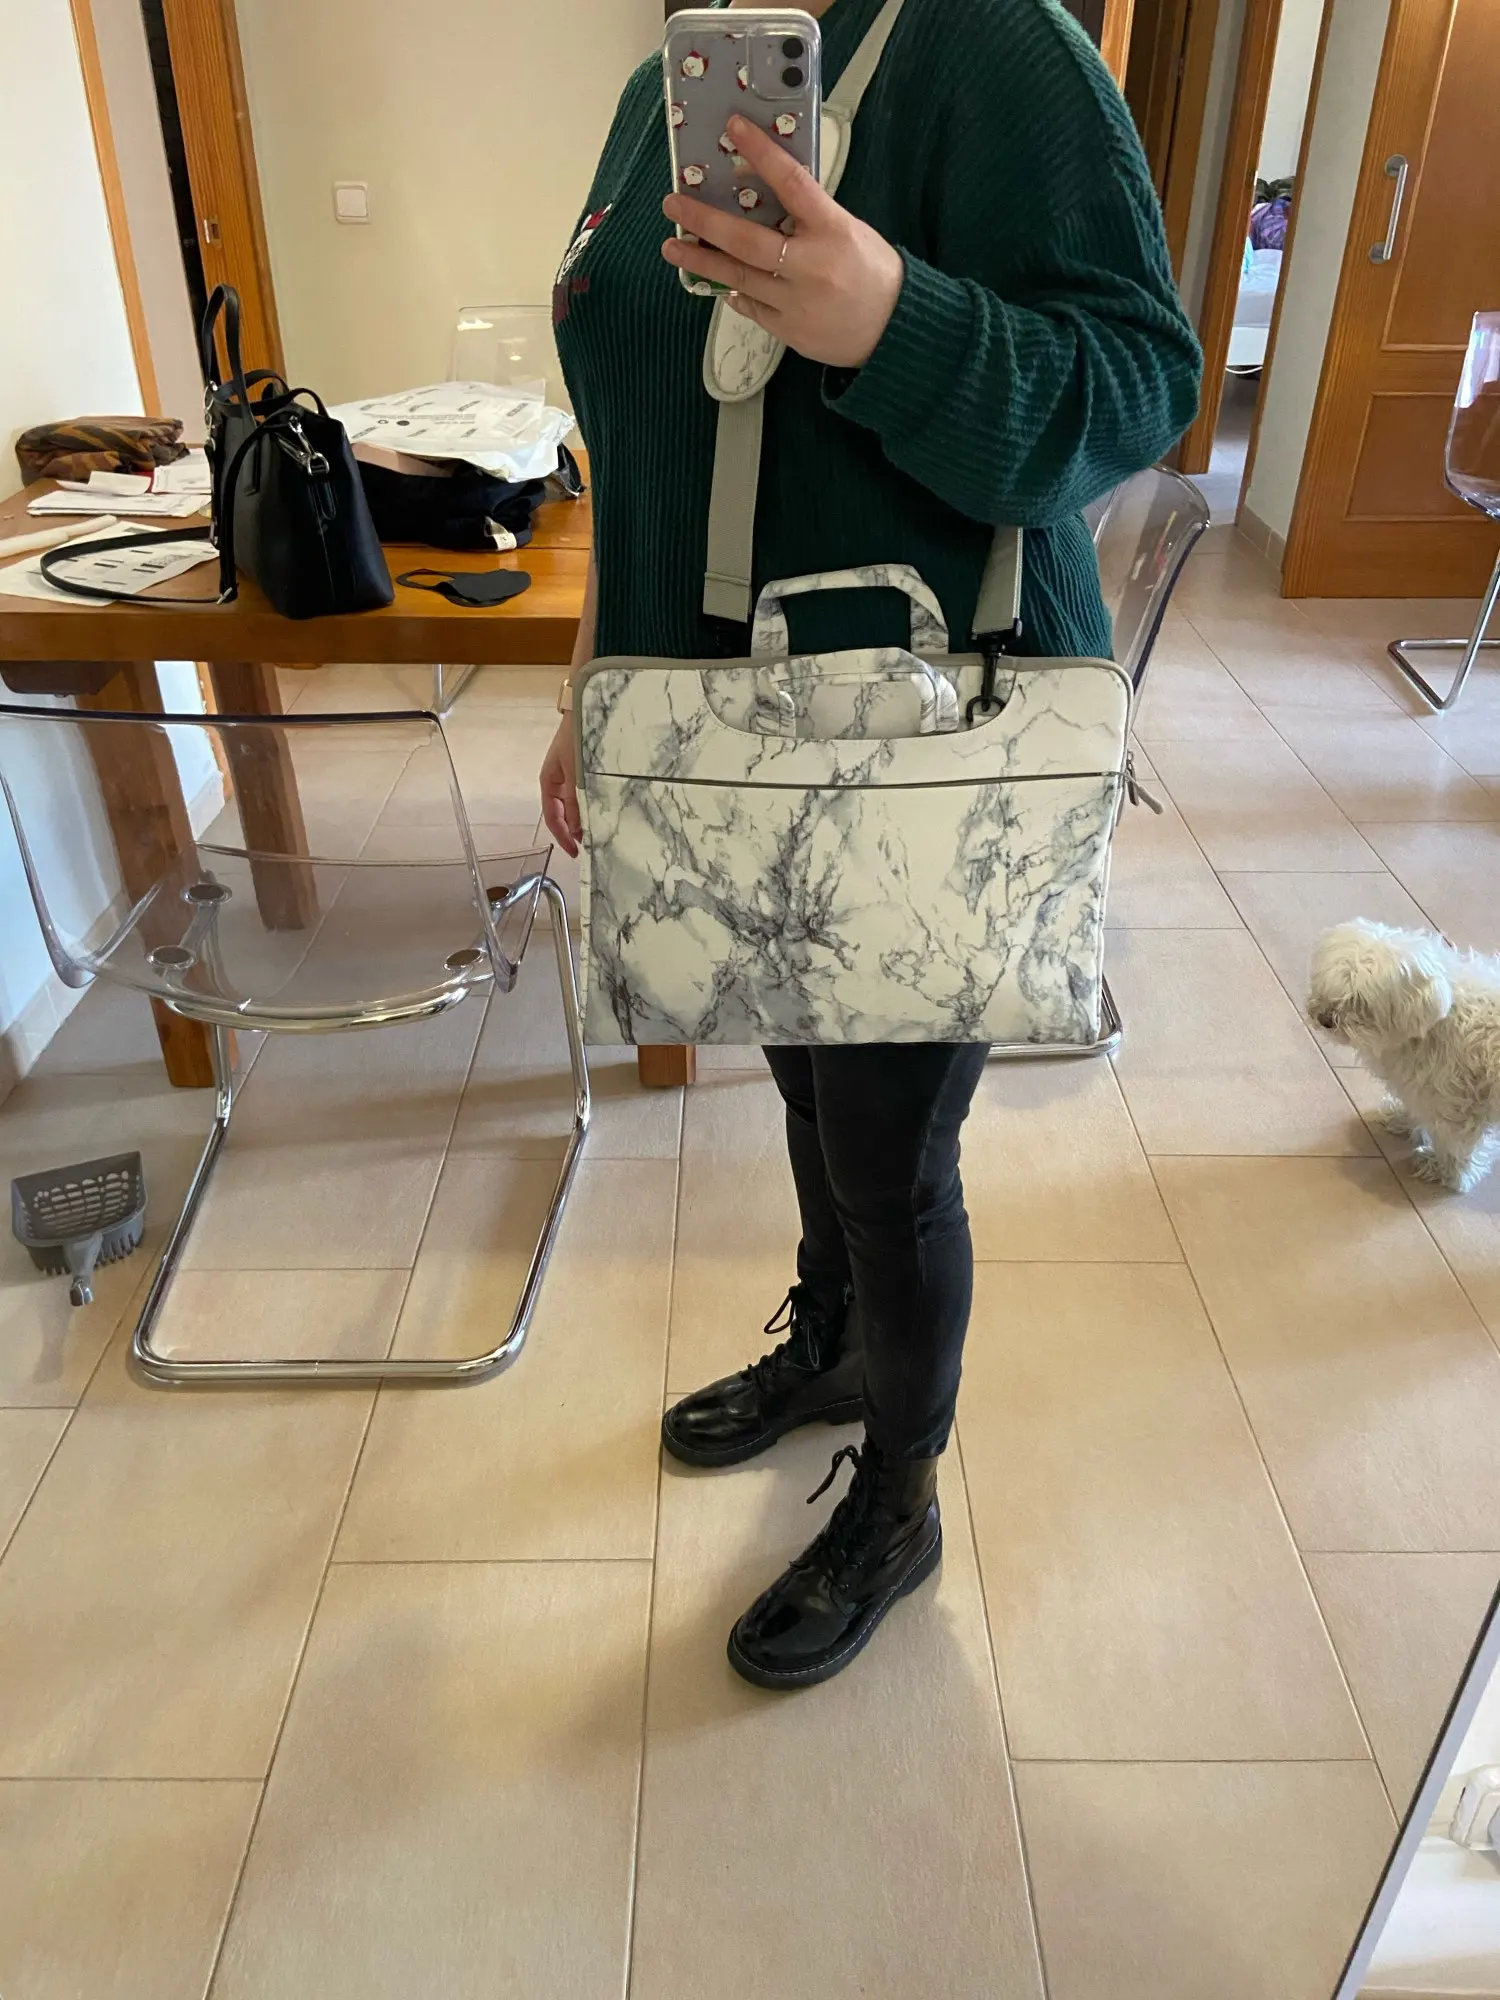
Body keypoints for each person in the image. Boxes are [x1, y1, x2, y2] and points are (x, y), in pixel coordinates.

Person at [542, 0, 1201, 1690]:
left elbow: (1141, 383)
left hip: (926, 744)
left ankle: (897, 1504)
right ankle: (833, 1345)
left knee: (889, 1159)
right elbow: (639, 430)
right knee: (800, 1075)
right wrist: (589, 683)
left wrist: (896, 320)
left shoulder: (994, 44)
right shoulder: (661, 87)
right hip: (721, 736)